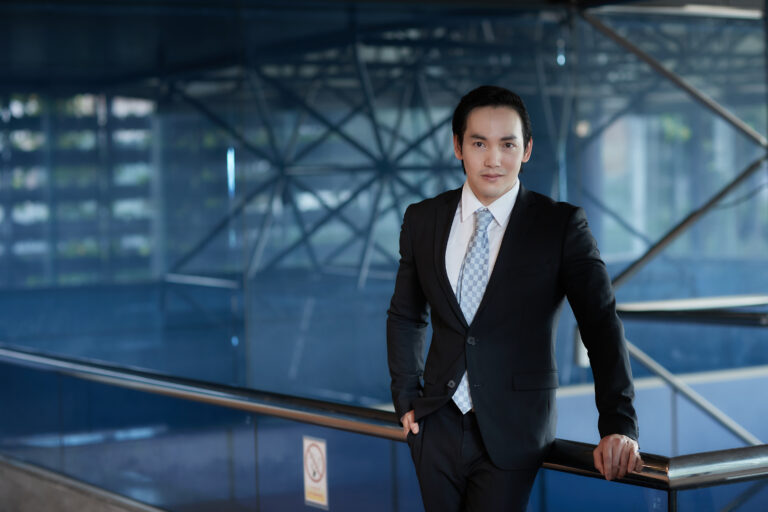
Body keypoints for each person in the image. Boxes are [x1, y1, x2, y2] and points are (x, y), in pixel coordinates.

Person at [386, 85, 642, 511]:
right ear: (458, 147)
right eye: (479, 144)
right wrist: (406, 396)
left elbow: (600, 324)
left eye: (507, 144)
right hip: (435, 425)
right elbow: (406, 316)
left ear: (527, 150)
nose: (493, 159)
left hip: (516, 430)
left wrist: (619, 424)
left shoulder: (560, 226)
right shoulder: (423, 219)